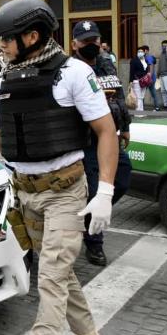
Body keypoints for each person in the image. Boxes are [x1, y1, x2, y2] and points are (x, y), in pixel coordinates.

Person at [0, 0, 118, 335]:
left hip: (66, 191)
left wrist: (104, 192)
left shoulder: (74, 73)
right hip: (25, 193)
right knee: (61, 272)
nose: (0, 46)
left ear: (31, 37)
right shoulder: (4, 78)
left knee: (49, 277)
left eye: (6, 40)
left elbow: (106, 132)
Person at [71, 21, 132, 266]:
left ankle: (86, 217)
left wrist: (125, 126)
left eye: (94, 40)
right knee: (97, 187)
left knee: (123, 177)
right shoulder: (70, 69)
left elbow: (118, 95)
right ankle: (94, 243)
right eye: (85, 42)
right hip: (85, 138)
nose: (91, 45)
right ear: (74, 44)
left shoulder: (106, 64)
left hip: (110, 136)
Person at [129, 46, 150, 111]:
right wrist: (130, 81)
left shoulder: (145, 60)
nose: (140, 53)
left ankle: (141, 110)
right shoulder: (134, 60)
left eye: (141, 51)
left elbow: (146, 70)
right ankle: (138, 112)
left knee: (141, 97)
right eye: (139, 51)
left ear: (144, 52)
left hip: (144, 81)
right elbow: (131, 71)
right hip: (136, 81)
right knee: (138, 97)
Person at [143, 45, 161, 110]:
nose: (142, 52)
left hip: (149, 79)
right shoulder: (144, 58)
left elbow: (151, 67)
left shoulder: (149, 57)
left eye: (143, 50)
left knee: (147, 93)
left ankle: (157, 107)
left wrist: (149, 77)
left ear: (147, 51)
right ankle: (157, 107)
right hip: (148, 79)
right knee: (150, 93)